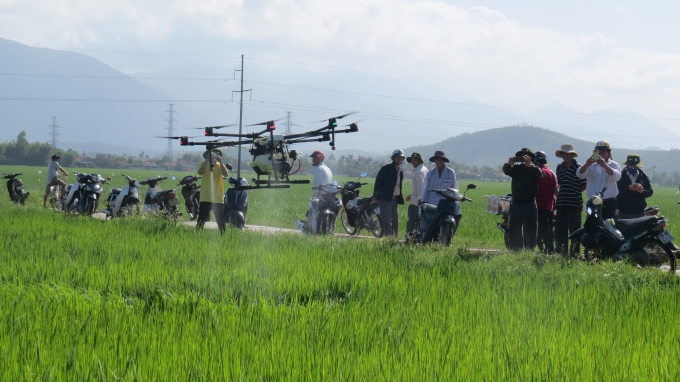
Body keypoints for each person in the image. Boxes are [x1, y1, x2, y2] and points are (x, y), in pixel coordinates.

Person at [502, 148, 543, 251]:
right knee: (515, 229)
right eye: (521, 157)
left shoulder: (534, 169)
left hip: (529, 203)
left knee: (531, 229)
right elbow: (506, 171)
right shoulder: (516, 169)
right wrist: (509, 163)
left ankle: (530, 250)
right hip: (516, 203)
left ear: (531, 158)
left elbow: (540, 175)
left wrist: (530, 166)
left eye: (526, 156)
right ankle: (516, 251)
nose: (523, 159)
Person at [554, 144, 587, 256]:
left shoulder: (579, 167)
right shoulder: (559, 167)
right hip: (561, 202)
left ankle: (575, 253)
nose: (565, 156)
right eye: (563, 154)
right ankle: (561, 251)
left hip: (574, 202)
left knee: (574, 230)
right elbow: (559, 183)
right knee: (560, 229)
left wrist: (573, 192)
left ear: (572, 155)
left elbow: (583, 186)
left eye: (568, 154)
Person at [577, 140, 621, 220]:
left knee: (609, 226)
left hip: (609, 202)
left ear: (608, 152)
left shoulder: (614, 165)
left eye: (603, 152)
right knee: (592, 224)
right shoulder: (590, 165)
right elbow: (580, 175)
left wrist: (604, 165)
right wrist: (586, 165)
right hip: (593, 202)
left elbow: (616, 177)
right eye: (598, 152)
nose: (601, 154)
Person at [421, 150, 459, 242]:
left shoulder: (450, 172)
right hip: (432, 202)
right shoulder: (430, 173)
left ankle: (446, 238)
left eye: (441, 160)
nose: (439, 162)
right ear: (434, 161)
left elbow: (455, 187)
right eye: (437, 160)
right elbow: (425, 188)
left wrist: (456, 203)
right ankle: (427, 239)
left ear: (444, 160)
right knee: (430, 224)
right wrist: (424, 201)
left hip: (446, 203)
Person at [296, 150, 334, 232]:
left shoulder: (318, 169)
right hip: (328, 195)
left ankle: (311, 229)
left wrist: (318, 195)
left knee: (314, 213)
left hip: (320, 195)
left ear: (320, 159)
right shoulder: (327, 168)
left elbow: (319, 184)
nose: (313, 160)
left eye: (314, 158)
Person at [196, 148, 230, 233]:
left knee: (220, 220)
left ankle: (223, 235)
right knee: (201, 219)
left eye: (215, 154)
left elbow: (225, 174)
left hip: (217, 197)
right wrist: (207, 160)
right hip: (206, 197)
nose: (213, 156)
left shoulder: (219, 165)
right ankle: (197, 234)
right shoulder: (202, 164)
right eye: (211, 154)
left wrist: (221, 162)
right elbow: (200, 172)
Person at [373, 149, 405, 236]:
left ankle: (394, 239)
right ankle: (388, 240)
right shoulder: (386, 169)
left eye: (401, 157)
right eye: (397, 157)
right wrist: (376, 197)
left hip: (395, 199)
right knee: (386, 221)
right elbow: (378, 183)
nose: (399, 159)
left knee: (395, 220)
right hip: (385, 199)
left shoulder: (400, 171)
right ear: (393, 158)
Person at [534, 151, 558, 254]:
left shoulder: (537, 173)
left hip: (538, 205)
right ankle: (548, 248)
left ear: (535, 161)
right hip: (549, 206)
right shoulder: (551, 173)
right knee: (547, 228)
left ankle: (548, 249)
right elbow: (556, 190)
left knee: (540, 228)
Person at [616, 154, 653, 219]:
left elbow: (650, 191)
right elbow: (616, 192)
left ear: (638, 166)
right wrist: (628, 189)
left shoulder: (643, 176)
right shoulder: (620, 176)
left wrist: (642, 191)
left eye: (635, 166)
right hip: (623, 213)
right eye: (630, 166)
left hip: (639, 213)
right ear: (627, 165)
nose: (633, 168)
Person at [405, 152, 428, 240]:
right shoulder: (424, 169)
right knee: (418, 221)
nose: (413, 162)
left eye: (415, 160)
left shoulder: (418, 171)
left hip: (416, 202)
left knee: (412, 220)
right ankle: (416, 236)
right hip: (417, 198)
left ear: (420, 161)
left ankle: (409, 235)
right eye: (412, 160)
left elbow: (421, 187)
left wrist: (420, 200)